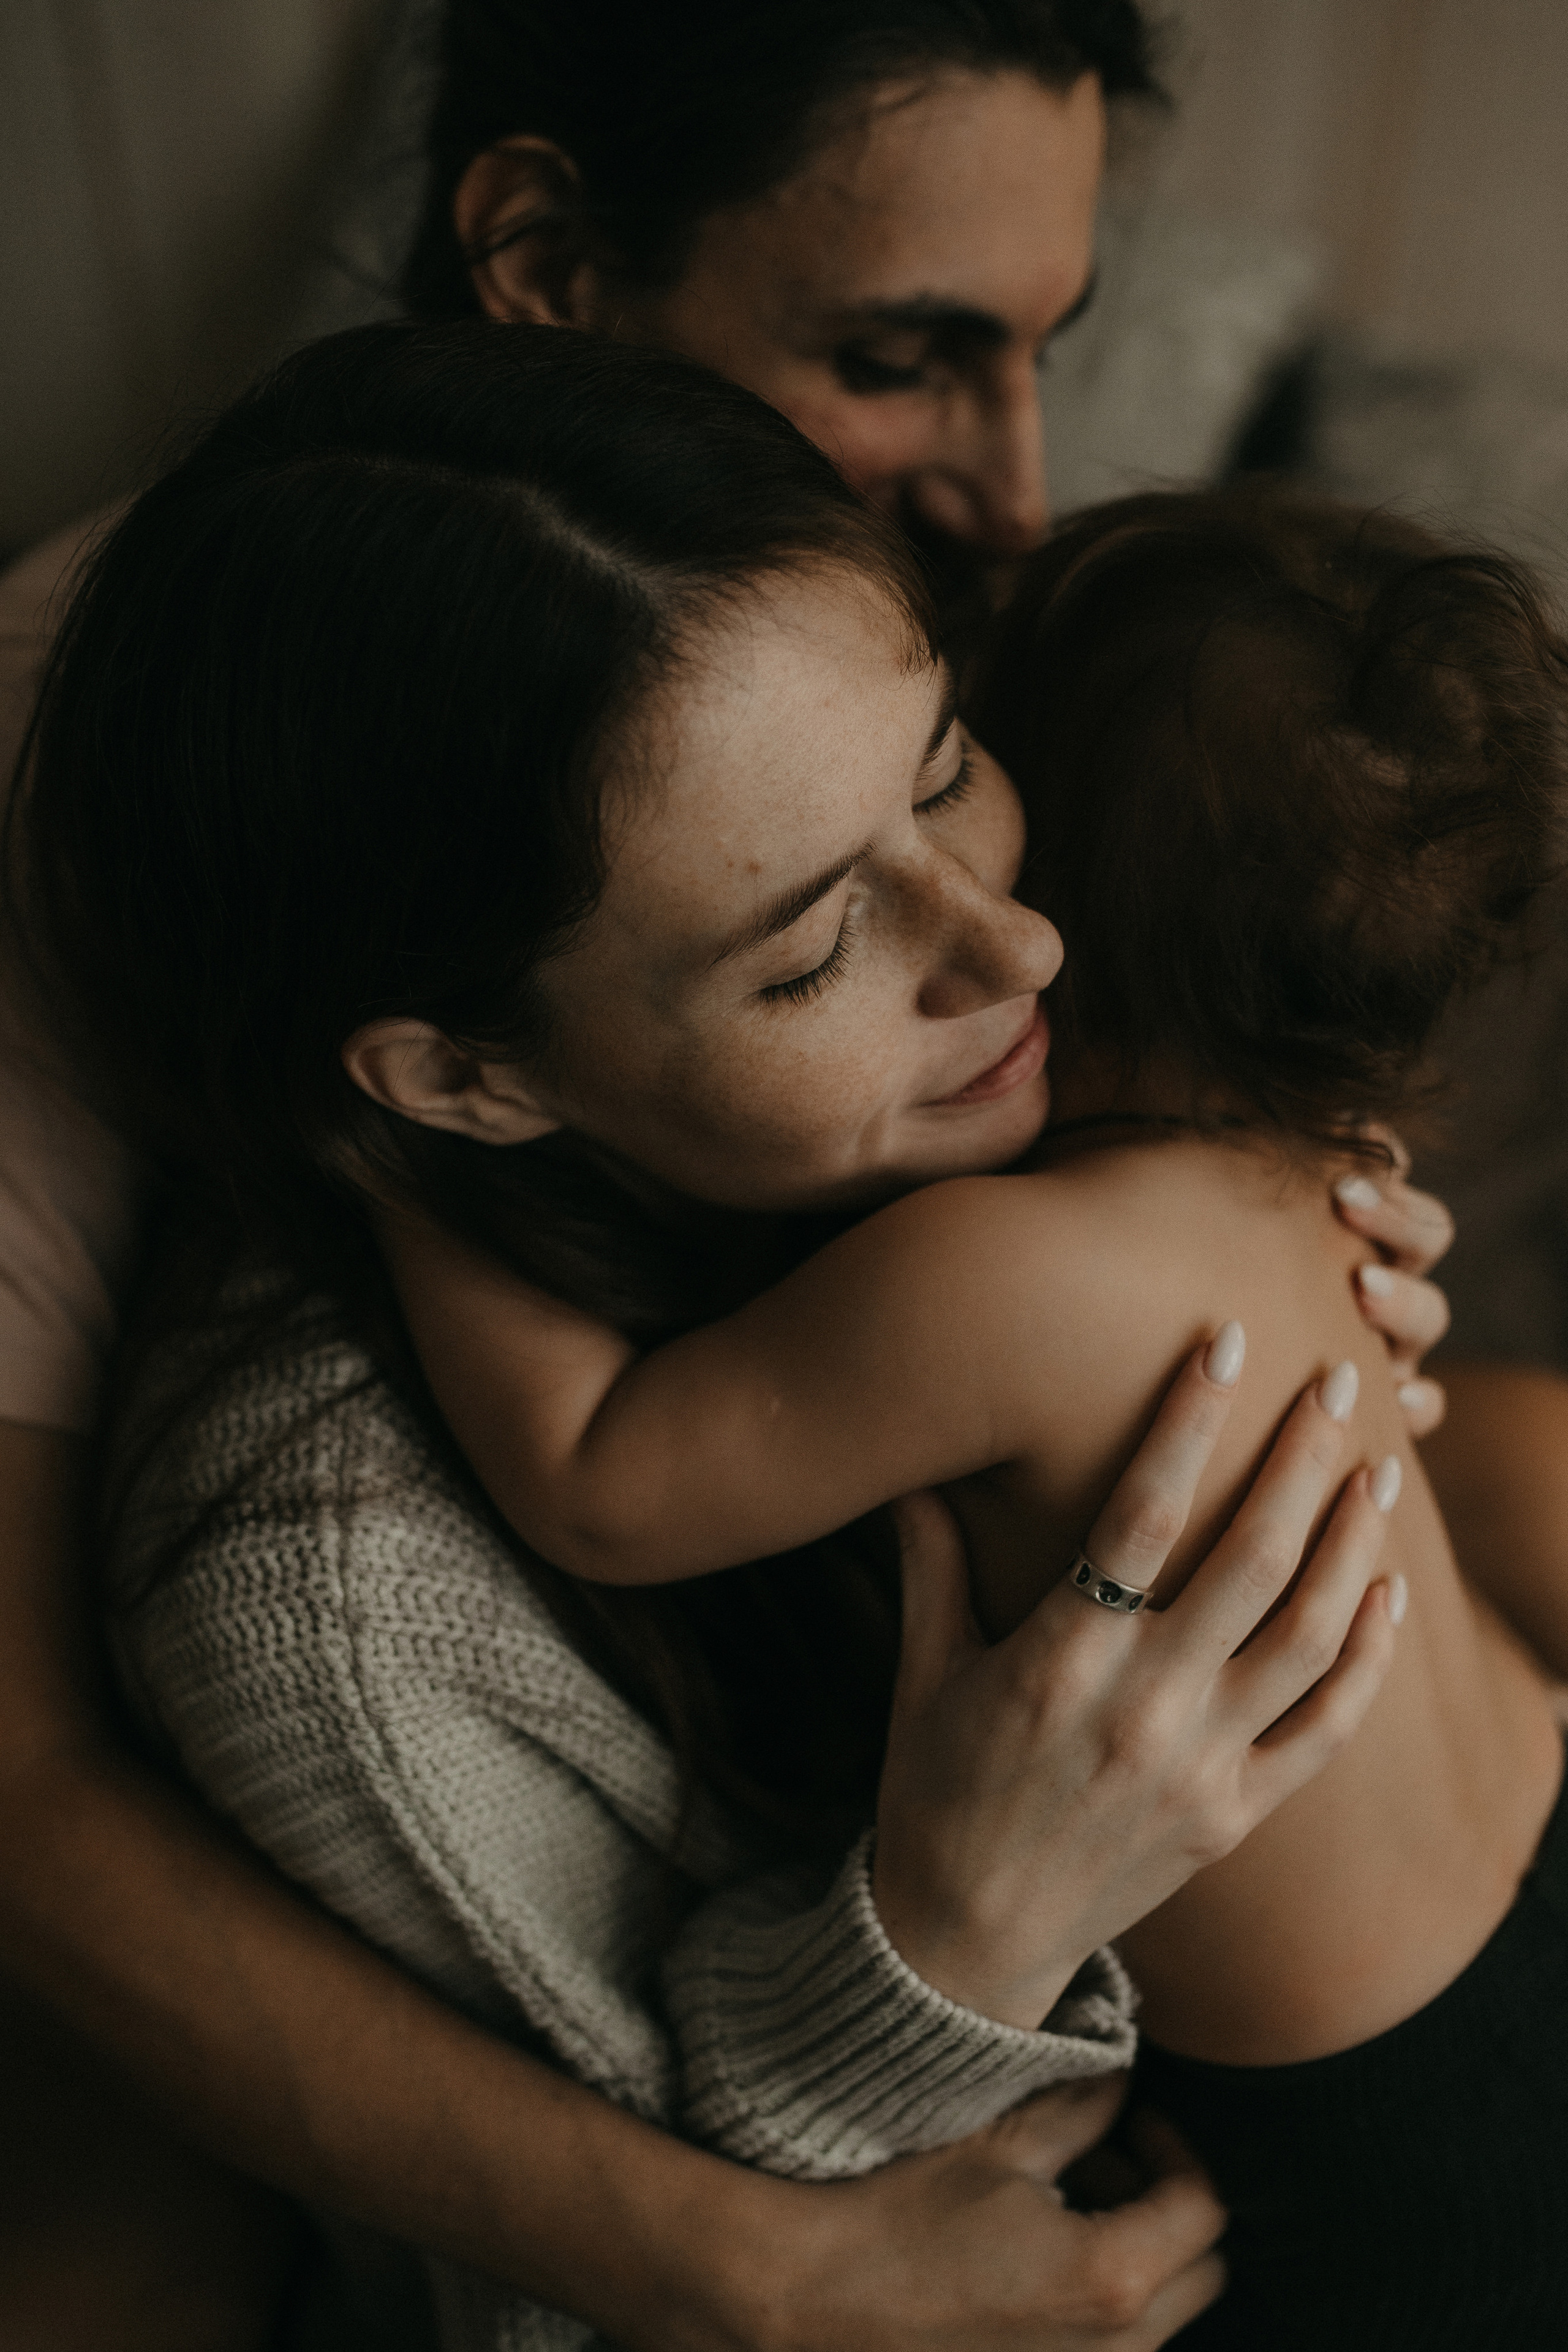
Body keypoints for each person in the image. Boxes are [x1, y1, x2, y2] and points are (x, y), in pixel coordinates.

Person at [0, 1, 1452, 2334]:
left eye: (954, 758)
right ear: (547, 264)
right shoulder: (340, 1587)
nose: (1027, 934)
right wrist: (951, 1940)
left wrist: (1312, 1223)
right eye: (905, 346)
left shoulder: (808, 675)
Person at [370, 481, 1568, 2343]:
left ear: (1050, 882)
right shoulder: (1320, 1161)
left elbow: (603, 1483)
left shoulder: (1000, 1276)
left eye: (949, 769)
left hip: (1369, 2126)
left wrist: (400, 1152)